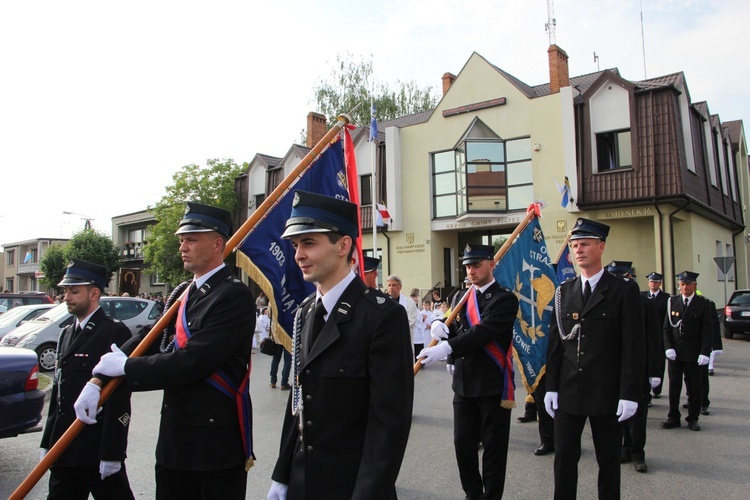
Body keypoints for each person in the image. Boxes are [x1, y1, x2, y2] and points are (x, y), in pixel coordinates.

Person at [75, 202, 256, 499]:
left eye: (192, 239)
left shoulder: (233, 295)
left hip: (213, 449)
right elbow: (150, 337)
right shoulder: (187, 291)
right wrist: (97, 379)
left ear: (218, 244)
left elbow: (193, 361)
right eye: (182, 240)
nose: (183, 246)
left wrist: (126, 369)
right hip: (175, 443)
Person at [267, 191, 413, 499]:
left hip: (350, 486)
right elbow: (299, 403)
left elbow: (388, 425)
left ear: (343, 245)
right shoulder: (306, 312)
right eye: (295, 245)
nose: (298, 255)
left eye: (309, 243)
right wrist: (282, 475)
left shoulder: (382, 316)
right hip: (302, 480)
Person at [544, 218, 644, 500]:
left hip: (607, 392)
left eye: (585, 244)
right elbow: (555, 345)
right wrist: (551, 386)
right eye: (574, 245)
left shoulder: (623, 290)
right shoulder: (564, 291)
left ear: (601, 247)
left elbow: (632, 347)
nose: (578, 250)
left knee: (609, 462)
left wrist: (629, 392)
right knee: (564, 459)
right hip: (569, 390)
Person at [418, 243, 519, 500]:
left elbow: (483, 333)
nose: (471, 271)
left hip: (492, 385)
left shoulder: (505, 299)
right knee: (463, 446)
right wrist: (442, 328)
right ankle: (473, 494)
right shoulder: (459, 298)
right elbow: (457, 329)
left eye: (476, 265)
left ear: (491, 264)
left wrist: (446, 348)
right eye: (467, 266)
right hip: (463, 384)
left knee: (494, 450)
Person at [40, 259, 135, 500]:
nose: (66, 297)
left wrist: (113, 452)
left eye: (74, 291)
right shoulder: (66, 333)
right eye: (65, 292)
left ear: (94, 293)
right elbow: (59, 395)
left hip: (95, 449)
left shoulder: (113, 331)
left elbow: (119, 397)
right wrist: (48, 441)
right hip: (64, 447)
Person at [607, 262, 661, 473]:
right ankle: (623, 448)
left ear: (629, 278)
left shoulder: (644, 304)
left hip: (639, 368)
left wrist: (655, 372)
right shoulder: (606, 301)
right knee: (617, 414)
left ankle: (638, 452)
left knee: (638, 415)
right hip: (613, 369)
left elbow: (654, 340)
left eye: (621, 278)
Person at [661, 271, 712, 431]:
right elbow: (667, 328)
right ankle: (673, 417)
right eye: (682, 284)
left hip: (694, 354)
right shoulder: (672, 302)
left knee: (694, 388)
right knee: (674, 387)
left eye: (688, 284)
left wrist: (705, 352)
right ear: (679, 285)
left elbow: (707, 330)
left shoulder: (703, 304)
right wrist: (668, 347)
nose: (685, 287)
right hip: (675, 354)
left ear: (694, 285)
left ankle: (693, 418)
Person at [641, 272, 669, 399]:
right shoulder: (642, 296)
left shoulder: (667, 298)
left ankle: (657, 389)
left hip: (660, 334)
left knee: (658, 361)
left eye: (656, 282)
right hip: (646, 333)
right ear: (648, 283)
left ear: (660, 283)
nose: (653, 284)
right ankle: (647, 391)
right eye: (651, 281)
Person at [386, 274, 419, 355]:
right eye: (389, 285)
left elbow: (410, 322)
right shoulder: (382, 302)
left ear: (400, 287)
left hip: (403, 342)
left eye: (394, 285)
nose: (391, 287)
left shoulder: (410, 303)